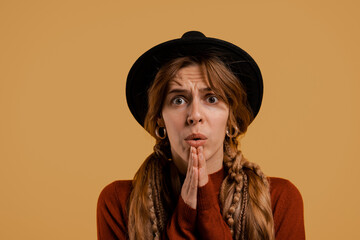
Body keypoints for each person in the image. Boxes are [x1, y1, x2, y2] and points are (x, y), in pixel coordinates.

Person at [97, 31, 305, 240]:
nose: (195, 115)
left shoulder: (278, 200)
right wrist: (185, 215)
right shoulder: (118, 202)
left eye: (212, 99)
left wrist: (205, 207)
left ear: (231, 118)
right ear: (160, 118)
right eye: (178, 100)